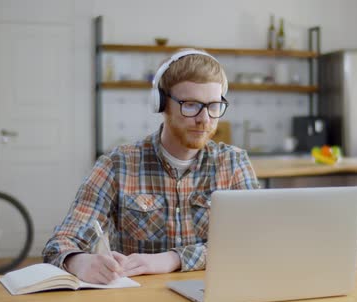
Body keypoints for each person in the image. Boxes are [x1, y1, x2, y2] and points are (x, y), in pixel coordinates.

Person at [42, 49, 260, 284]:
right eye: (191, 105)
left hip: (214, 297)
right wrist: (78, 261)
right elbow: (60, 243)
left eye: (214, 106)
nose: (205, 119)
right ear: (161, 104)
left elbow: (254, 241)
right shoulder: (118, 165)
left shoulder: (234, 163)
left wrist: (173, 259)